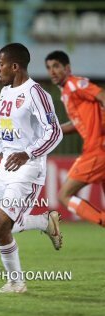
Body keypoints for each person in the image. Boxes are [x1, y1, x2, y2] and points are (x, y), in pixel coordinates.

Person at [0, 43, 63, 293]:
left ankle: (16, 283)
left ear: (14, 66)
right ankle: (44, 222)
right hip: (5, 166)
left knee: (0, 226)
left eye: (0, 64)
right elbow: (5, 131)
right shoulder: (5, 92)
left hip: (28, 168)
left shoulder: (36, 93)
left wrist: (29, 153)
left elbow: (54, 132)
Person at [45, 50, 105, 227]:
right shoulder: (66, 93)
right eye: (49, 68)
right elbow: (78, 124)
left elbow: (101, 94)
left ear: (67, 68)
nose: (52, 71)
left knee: (64, 195)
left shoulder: (75, 84)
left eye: (56, 66)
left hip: (96, 151)